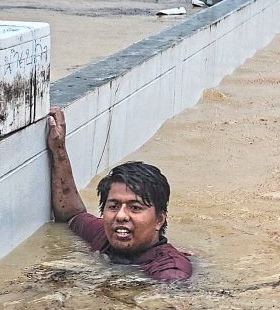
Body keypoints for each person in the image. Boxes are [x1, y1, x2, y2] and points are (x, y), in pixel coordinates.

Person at [45, 107, 192, 282]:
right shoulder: (105, 237)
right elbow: (72, 215)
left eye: (135, 208)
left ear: (159, 219)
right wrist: (58, 148)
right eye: (113, 206)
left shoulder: (171, 271)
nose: (121, 216)